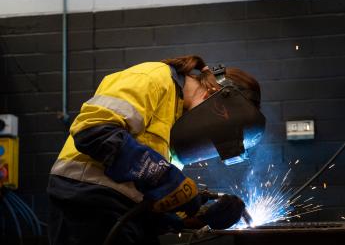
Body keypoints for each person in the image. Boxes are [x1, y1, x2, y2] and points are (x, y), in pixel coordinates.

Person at [47, 55, 261, 245]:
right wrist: (165, 177)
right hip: (86, 206)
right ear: (214, 95)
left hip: (125, 217)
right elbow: (93, 130)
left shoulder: (178, 123)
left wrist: (200, 219)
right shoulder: (152, 77)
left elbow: (152, 202)